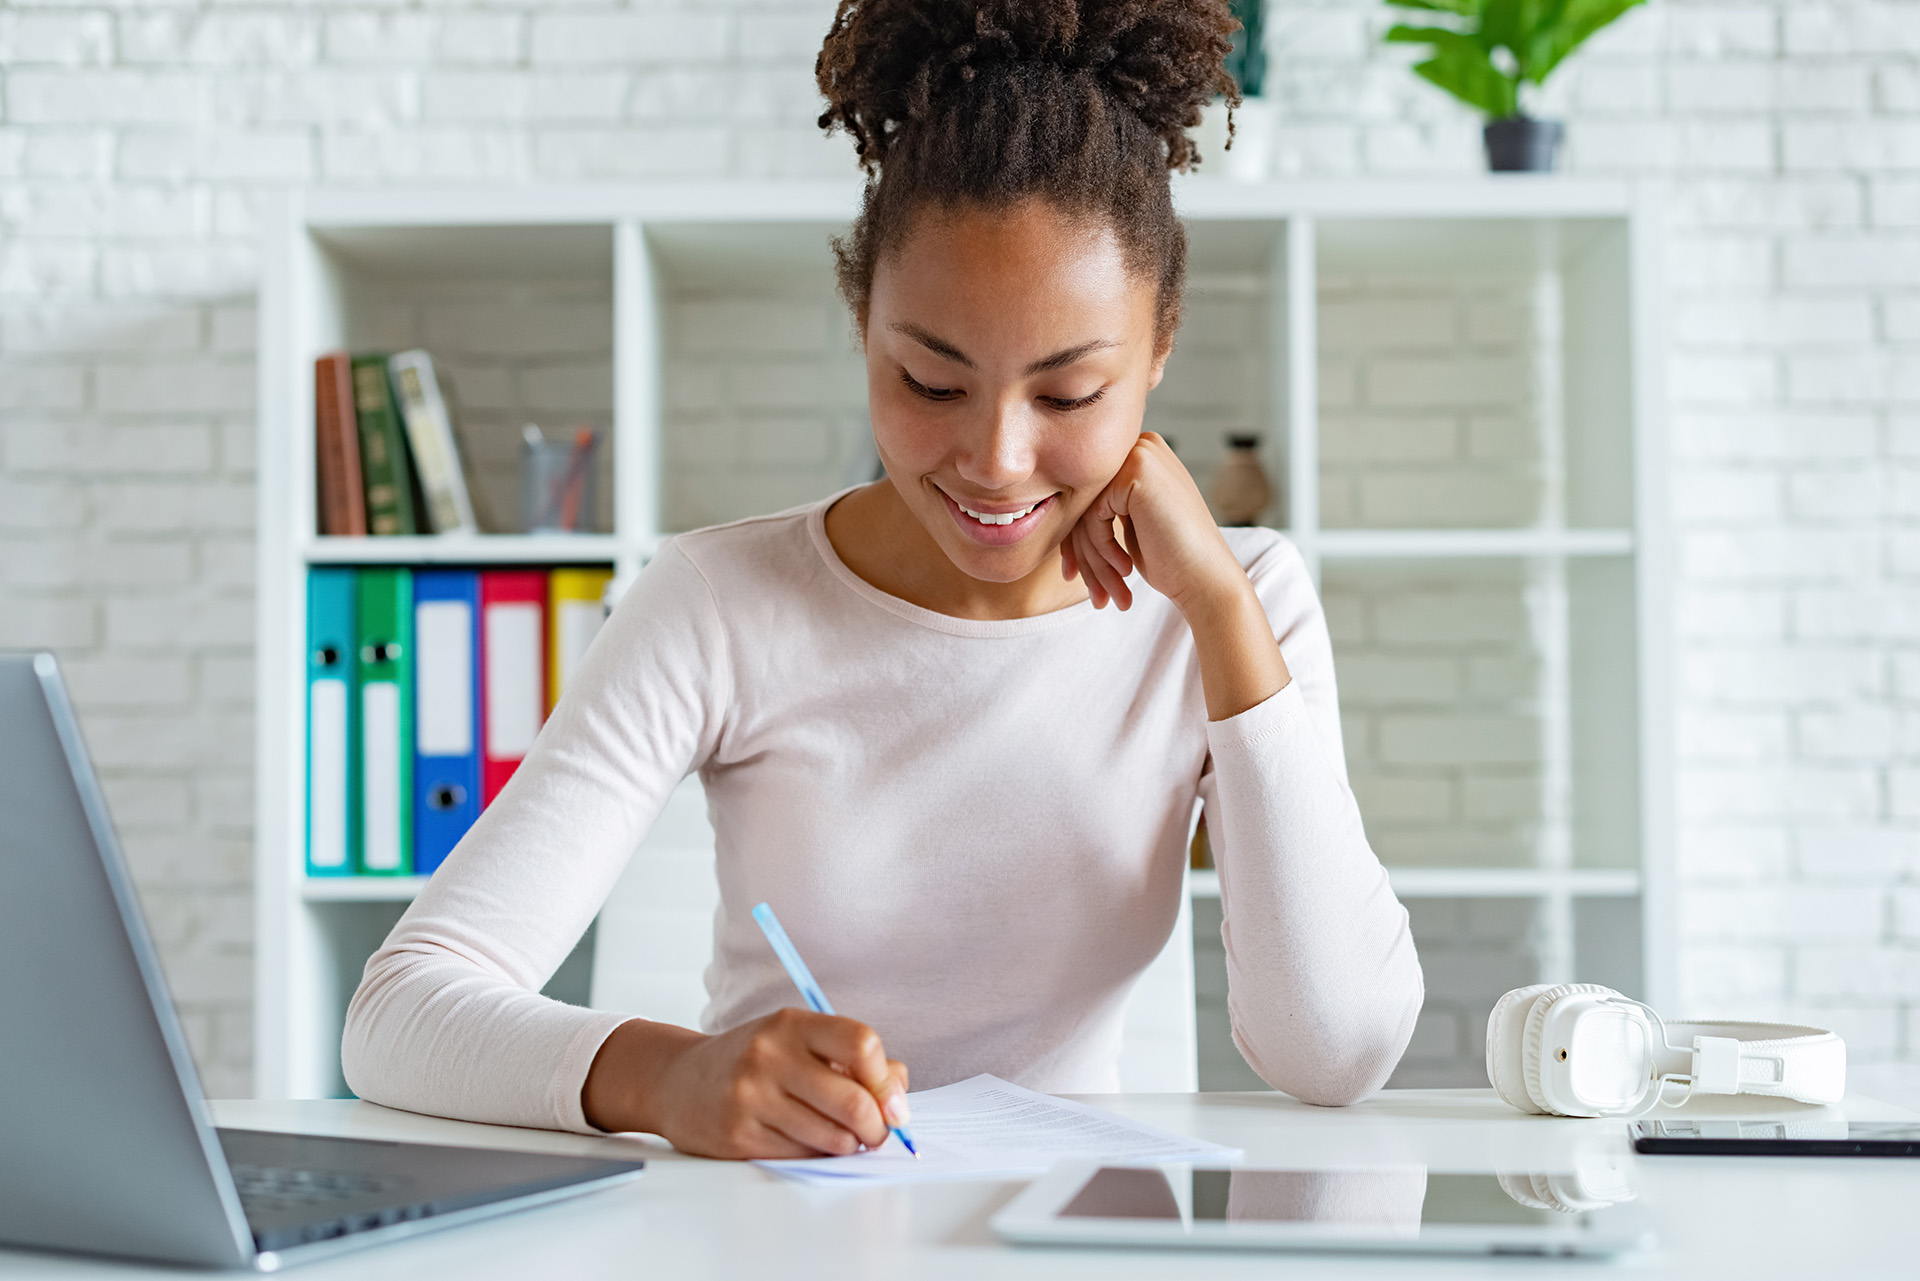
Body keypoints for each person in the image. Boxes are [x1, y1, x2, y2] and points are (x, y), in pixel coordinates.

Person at [343, 0, 1423, 1161]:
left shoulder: (1241, 599)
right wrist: (673, 1079)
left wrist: (1217, 609)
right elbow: (400, 1013)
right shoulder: (720, 601)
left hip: (1075, 1238)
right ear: (864, 326)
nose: (998, 461)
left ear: (1159, 348)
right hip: (776, 1240)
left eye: (1068, 397)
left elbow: (1336, 1050)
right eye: (930, 381)